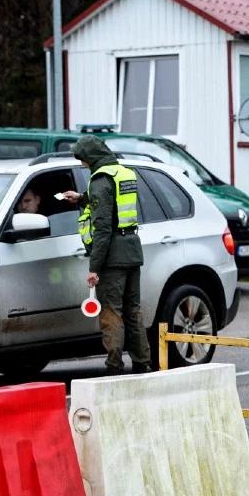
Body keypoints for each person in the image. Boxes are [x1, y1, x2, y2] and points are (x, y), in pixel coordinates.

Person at [61, 135, 151, 375]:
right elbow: (113, 205)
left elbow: (102, 229)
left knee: (111, 311)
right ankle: (143, 363)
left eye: (81, 158)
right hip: (132, 249)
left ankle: (113, 367)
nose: (81, 163)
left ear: (90, 156)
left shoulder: (100, 179)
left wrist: (94, 268)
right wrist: (81, 198)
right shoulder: (122, 173)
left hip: (113, 256)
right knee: (133, 309)